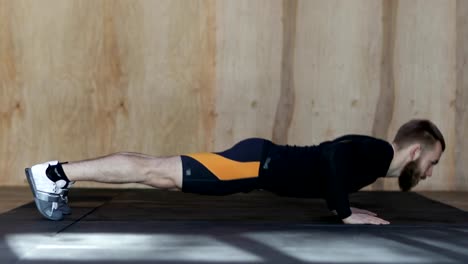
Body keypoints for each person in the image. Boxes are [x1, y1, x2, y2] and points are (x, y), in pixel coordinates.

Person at [25, 119, 445, 225]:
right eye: (431, 163)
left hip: (255, 162)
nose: (429, 173)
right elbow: (333, 157)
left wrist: (344, 207)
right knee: (159, 173)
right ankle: (56, 173)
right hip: (254, 165)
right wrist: (345, 211)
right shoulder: (377, 152)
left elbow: (331, 162)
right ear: (413, 151)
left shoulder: (373, 158)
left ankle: (59, 173)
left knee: (158, 168)